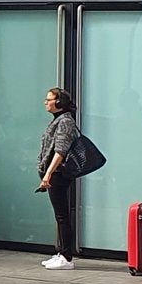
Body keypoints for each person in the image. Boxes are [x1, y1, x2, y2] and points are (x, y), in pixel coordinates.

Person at [36, 87, 82, 270]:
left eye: (49, 99)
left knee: (62, 215)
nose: (45, 102)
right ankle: (62, 252)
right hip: (55, 173)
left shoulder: (64, 122)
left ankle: (66, 256)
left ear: (59, 102)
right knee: (59, 214)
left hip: (58, 173)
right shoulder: (59, 120)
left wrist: (48, 174)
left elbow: (60, 150)